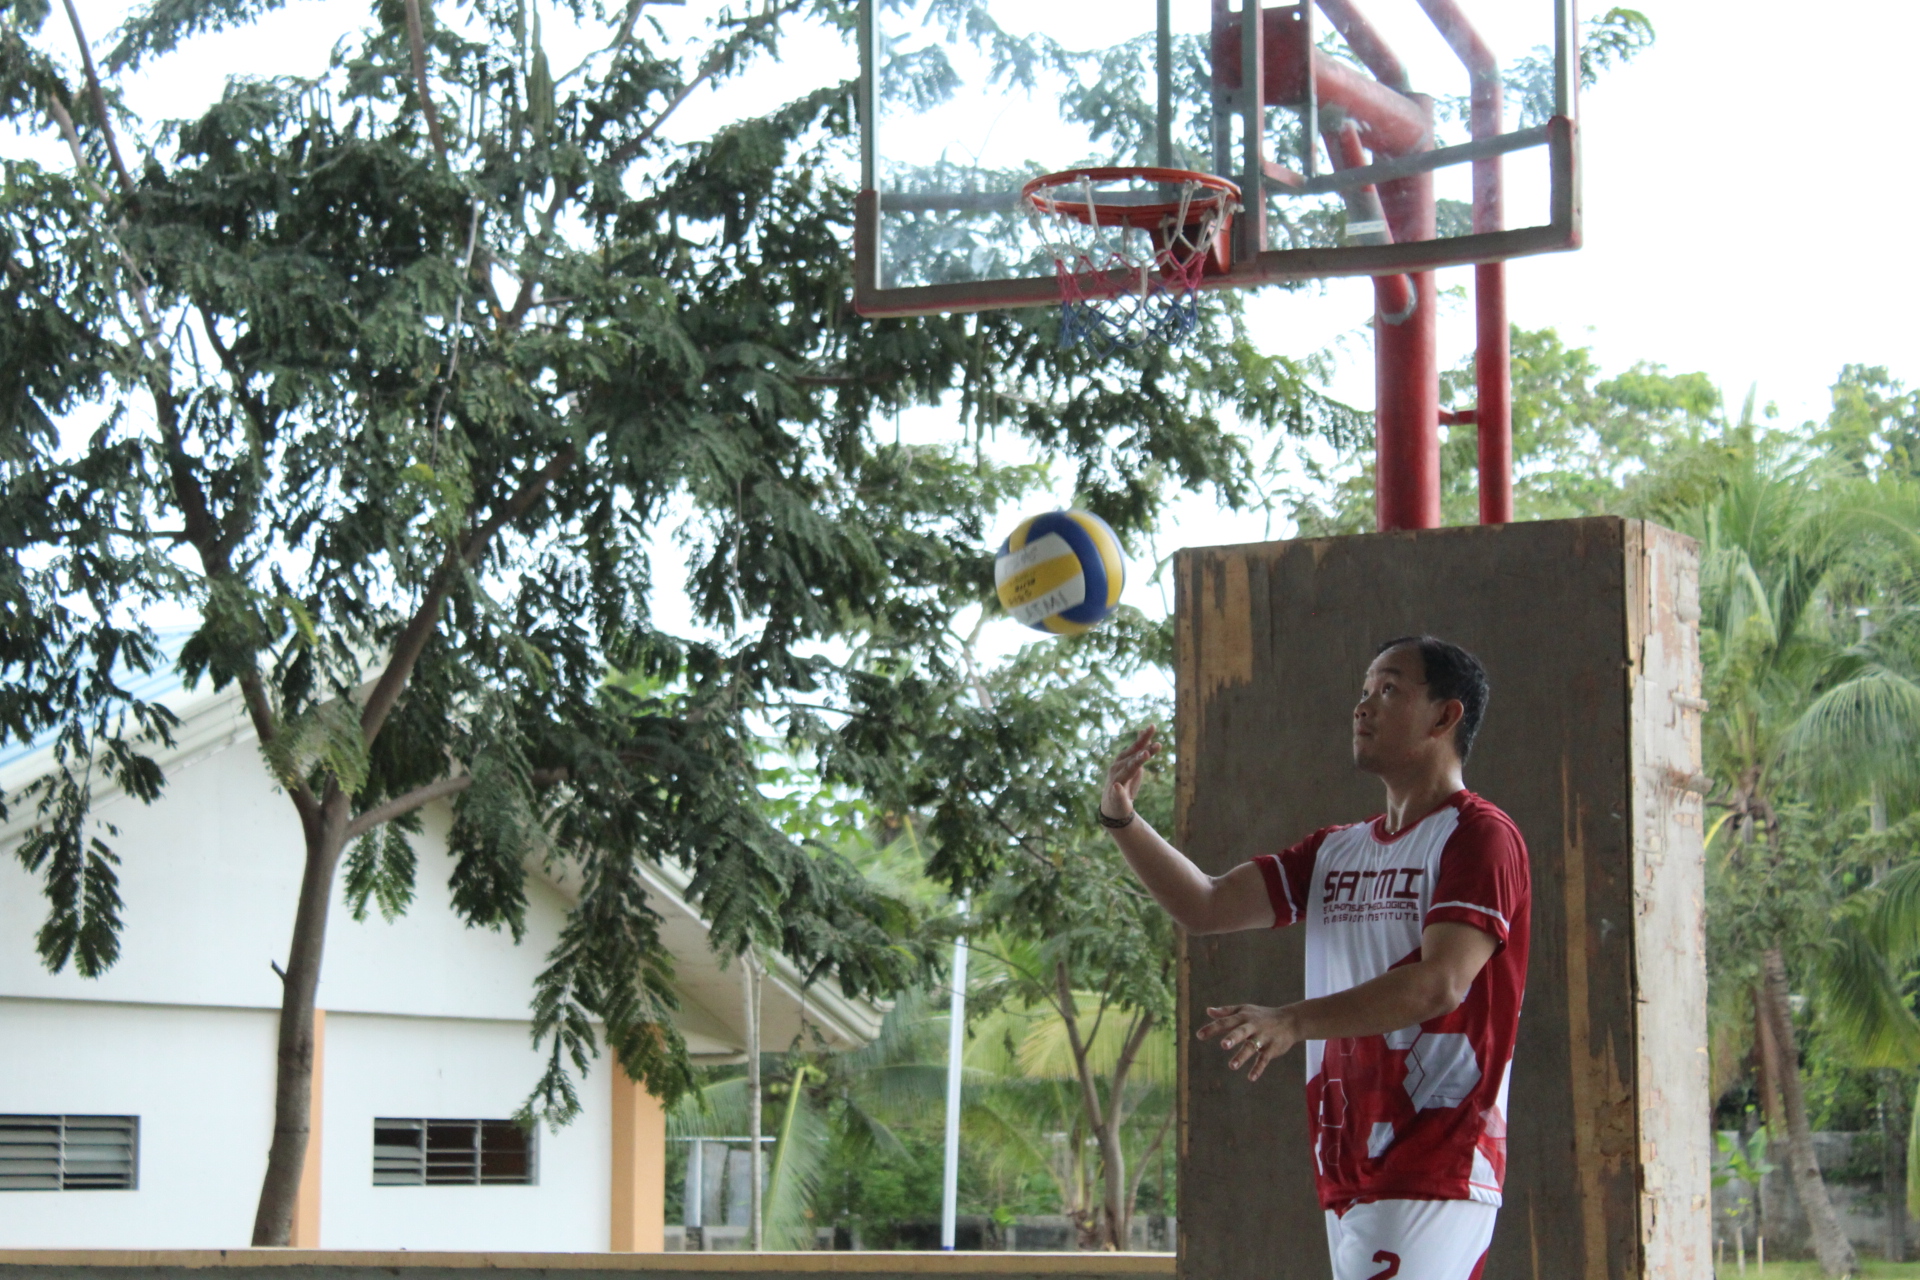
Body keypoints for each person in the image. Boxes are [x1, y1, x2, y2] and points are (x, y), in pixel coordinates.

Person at [1099, 635, 1529, 1280]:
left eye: (1389, 689)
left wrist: (1292, 1020)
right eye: (1364, 689)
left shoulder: (1480, 835)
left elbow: (1439, 983)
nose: (1363, 705)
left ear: (1445, 716)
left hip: (1436, 1158)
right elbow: (1205, 905)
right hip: (1346, 1160)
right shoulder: (1336, 850)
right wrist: (1122, 819)